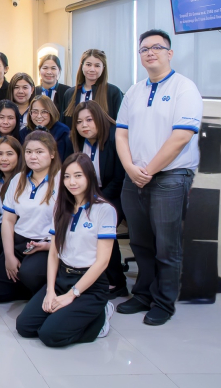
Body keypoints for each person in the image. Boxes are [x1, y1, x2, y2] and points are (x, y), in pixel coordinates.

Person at [115, 29, 202, 326]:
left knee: (167, 246)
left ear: (169, 53)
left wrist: (147, 171)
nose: (150, 52)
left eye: (156, 47)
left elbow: (181, 137)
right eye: (144, 49)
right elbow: (121, 133)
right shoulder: (134, 91)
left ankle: (164, 302)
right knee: (140, 243)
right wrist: (130, 168)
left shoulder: (184, 88)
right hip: (134, 176)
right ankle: (142, 294)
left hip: (170, 177)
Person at [16, 153, 116, 346]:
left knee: (50, 335)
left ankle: (101, 317)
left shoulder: (105, 210)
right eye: (67, 177)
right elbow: (54, 253)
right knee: (25, 327)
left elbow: (102, 262)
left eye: (78, 176)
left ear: (89, 177)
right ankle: (67, 315)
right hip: (63, 277)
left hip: (90, 285)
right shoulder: (61, 208)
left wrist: (71, 295)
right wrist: (50, 291)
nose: (72, 182)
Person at [0, 131, 61, 302]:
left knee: (29, 274)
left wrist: (48, 246)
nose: (33, 156)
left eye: (39, 152)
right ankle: (27, 289)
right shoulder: (18, 179)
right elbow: (8, 220)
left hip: (46, 245)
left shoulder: (62, 180)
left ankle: (46, 289)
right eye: (29, 152)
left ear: (52, 154)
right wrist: (9, 256)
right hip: (20, 242)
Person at [72, 100, 128, 298]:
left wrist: (97, 201)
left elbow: (120, 178)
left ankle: (117, 282)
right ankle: (89, 277)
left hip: (114, 195)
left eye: (89, 120)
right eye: (79, 122)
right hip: (88, 194)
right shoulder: (78, 142)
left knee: (100, 229)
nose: (84, 125)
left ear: (100, 119)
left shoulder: (113, 138)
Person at [62, 49, 124, 128]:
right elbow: (64, 125)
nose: (92, 69)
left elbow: (120, 124)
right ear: (82, 66)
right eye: (88, 65)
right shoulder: (69, 93)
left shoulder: (113, 92)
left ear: (103, 68)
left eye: (97, 66)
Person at [0, 136, 23, 248]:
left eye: (9, 154)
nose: (4, 158)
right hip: (0, 232)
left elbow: (17, 219)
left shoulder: (23, 181)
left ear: (19, 156)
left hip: (17, 236)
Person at [21, 95, 73, 162]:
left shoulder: (63, 132)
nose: (39, 116)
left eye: (44, 112)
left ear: (51, 112)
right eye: (35, 112)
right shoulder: (24, 132)